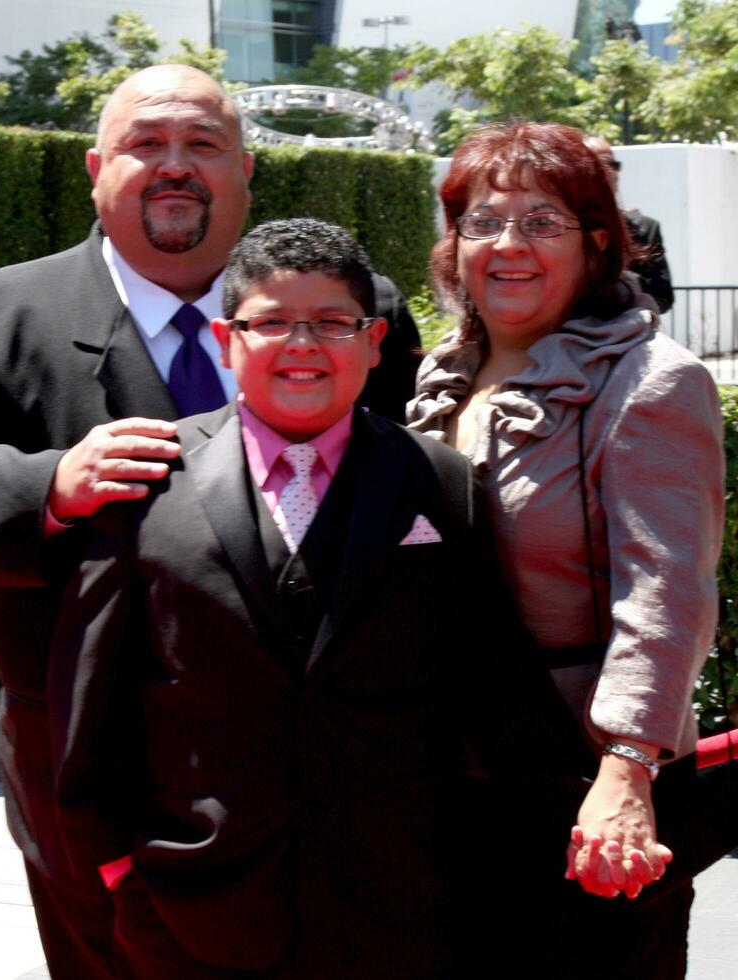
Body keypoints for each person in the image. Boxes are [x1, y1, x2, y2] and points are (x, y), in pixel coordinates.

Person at [0, 65, 419, 978]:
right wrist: (51, 485)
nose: (175, 167)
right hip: (87, 764)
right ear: (97, 168)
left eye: (202, 146)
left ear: (247, 171)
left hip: (319, 765)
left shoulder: (362, 315)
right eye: (145, 145)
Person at [46, 217, 588, 978]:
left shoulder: (441, 482)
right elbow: (90, 692)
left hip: (398, 908)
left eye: (332, 323)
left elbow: (495, 686)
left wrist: (596, 805)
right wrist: (113, 867)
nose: (303, 344)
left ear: (372, 341)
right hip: (188, 907)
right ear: (226, 339)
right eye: (271, 322)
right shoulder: (145, 483)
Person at [408, 122, 724, 978]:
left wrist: (625, 771)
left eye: (542, 222)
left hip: (580, 786)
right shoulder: (439, 380)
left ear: (596, 244)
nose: (508, 244)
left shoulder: (650, 381)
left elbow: (667, 596)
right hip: (453, 781)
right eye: (483, 221)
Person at [585, 135, 675, 313]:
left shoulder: (645, 229)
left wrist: (624, 282)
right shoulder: (560, 229)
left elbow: (663, 297)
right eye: (601, 164)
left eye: (614, 165)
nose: (612, 172)